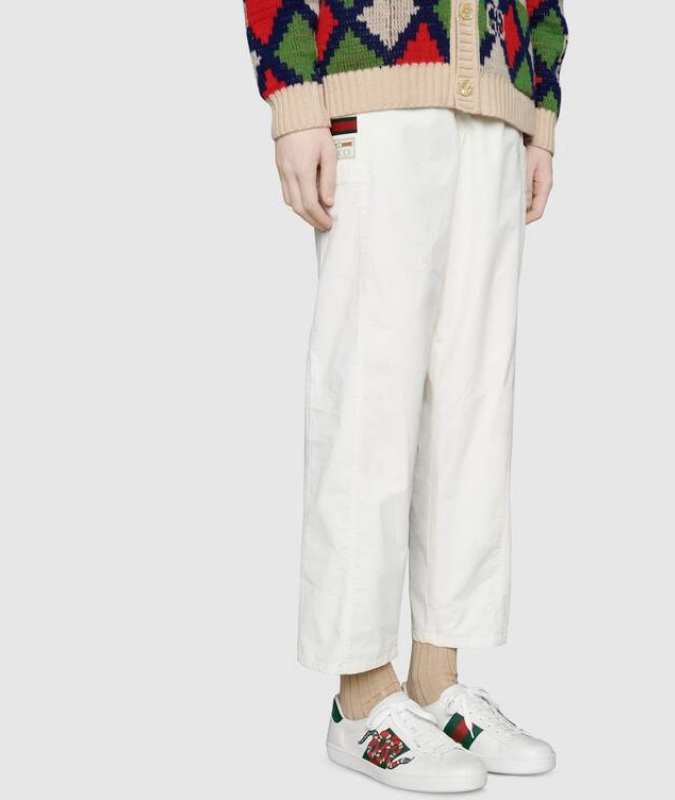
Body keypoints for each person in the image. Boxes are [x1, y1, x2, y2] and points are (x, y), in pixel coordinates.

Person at [244, 0, 567, 791]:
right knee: (369, 398)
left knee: (474, 404)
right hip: (371, 93)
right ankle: (360, 701)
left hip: (497, 98)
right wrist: (294, 98)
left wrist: (540, 114)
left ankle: (434, 682)